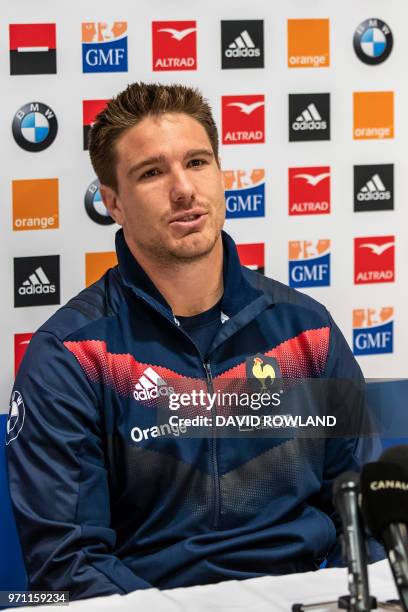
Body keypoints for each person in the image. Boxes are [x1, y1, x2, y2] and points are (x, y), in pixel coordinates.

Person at [6, 82, 382, 601]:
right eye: (152, 172)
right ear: (112, 202)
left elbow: (364, 515)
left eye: (198, 162)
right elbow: (66, 564)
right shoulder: (71, 355)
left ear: (221, 174)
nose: (183, 189)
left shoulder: (307, 331)